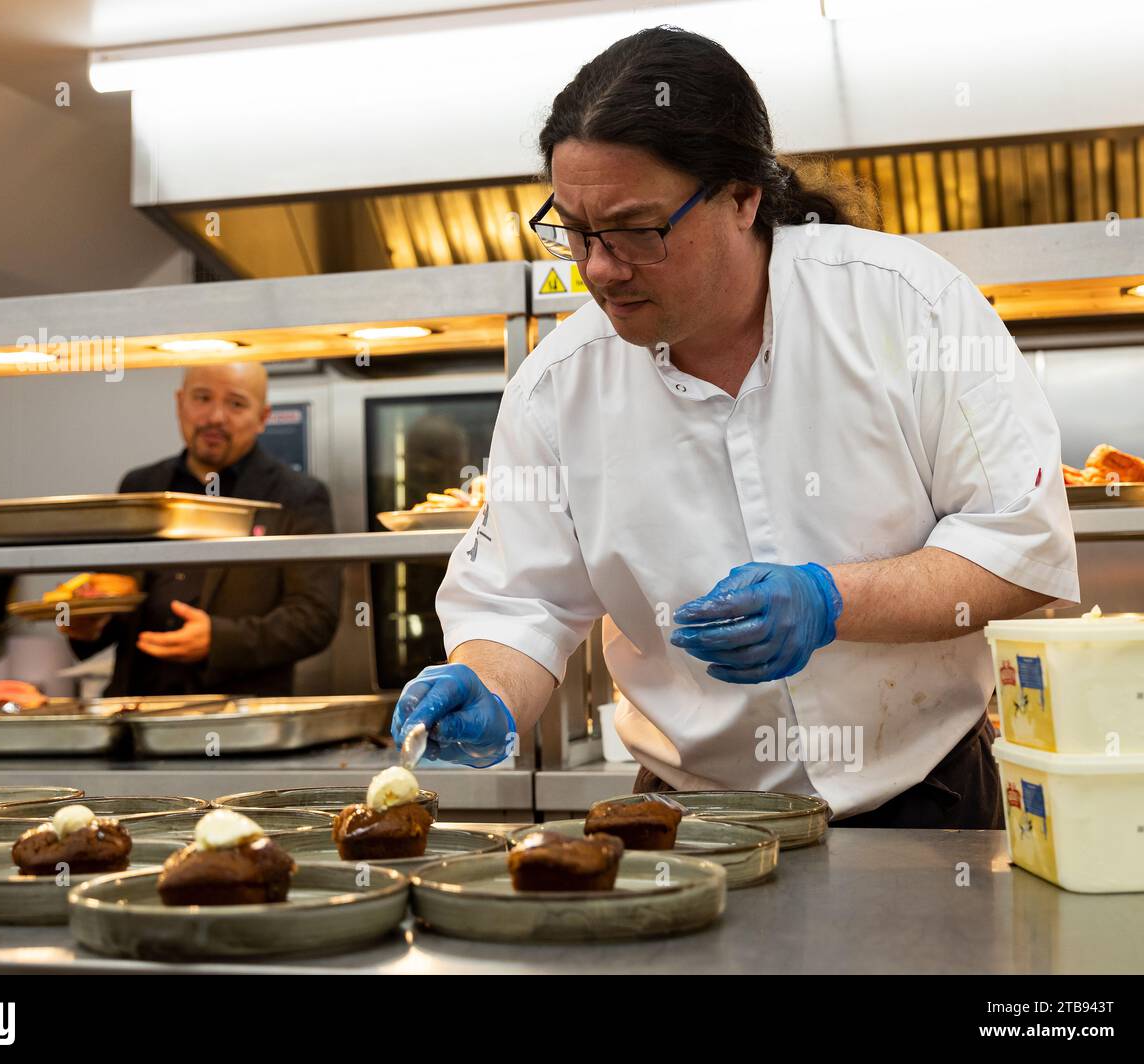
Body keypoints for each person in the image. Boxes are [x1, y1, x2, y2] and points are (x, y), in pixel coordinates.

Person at [390, 27, 1079, 829]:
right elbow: (521, 606)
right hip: (689, 823)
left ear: (744, 196)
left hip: (927, 803)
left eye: (637, 231)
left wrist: (830, 599)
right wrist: (489, 683)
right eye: (575, 231)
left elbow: (1021, 544)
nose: (599, 267)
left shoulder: (909, 305)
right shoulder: (556, 390)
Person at [65, 363, 339, 696]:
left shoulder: (297, 496)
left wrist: (219, 639)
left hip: (242, 718)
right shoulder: (140, 485)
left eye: (236, 404)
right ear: (180, 403)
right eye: (202, 398)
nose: (215, 417)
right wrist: (87, 623)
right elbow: (117, 598)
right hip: (137, 712)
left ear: (263, 417)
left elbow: (315, 618)